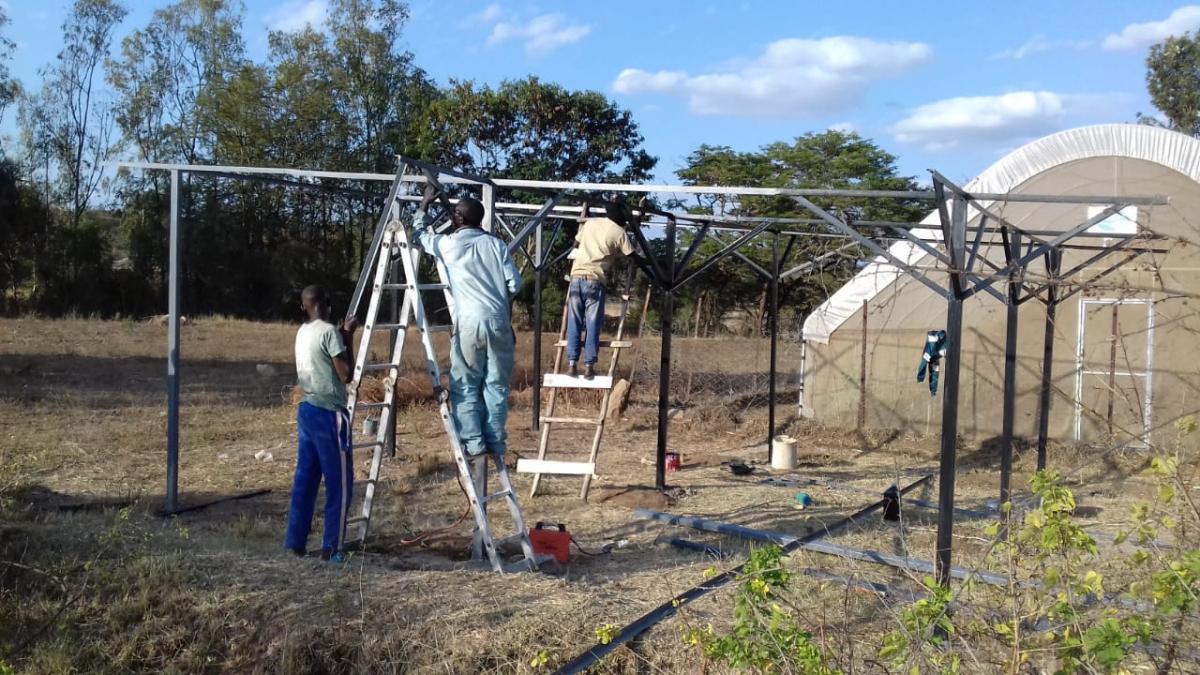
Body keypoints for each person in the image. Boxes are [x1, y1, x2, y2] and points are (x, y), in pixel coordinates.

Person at [412, 185, 522, 456]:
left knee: (465, 383)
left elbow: (418, 236)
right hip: (498, 320)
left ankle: (474, 442)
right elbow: (514, 284)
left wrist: (424, 204)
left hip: (470, 321)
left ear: (458, 219)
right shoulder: (497, 245)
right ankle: (495, 441)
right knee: (496, 384)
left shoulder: (450, 244)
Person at [285, 285, 358, 562]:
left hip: (307, 410)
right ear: (325, 303)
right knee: (339, 484)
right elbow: (346, 375)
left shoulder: (302, 332)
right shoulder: (329, 332)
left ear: (304, 306)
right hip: (330, 414)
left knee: (306, 479)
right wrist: (348, 335)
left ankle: (295, 542)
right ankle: (333, 548)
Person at [566, 200, 635, 379]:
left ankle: (572, 364)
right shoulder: (620, 233)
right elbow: (632, 256)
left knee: (574, 322)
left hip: (576, 278)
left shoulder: (590, 223)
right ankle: (589, 366)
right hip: (595, 281)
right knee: (592, 324)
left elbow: (576, 243)